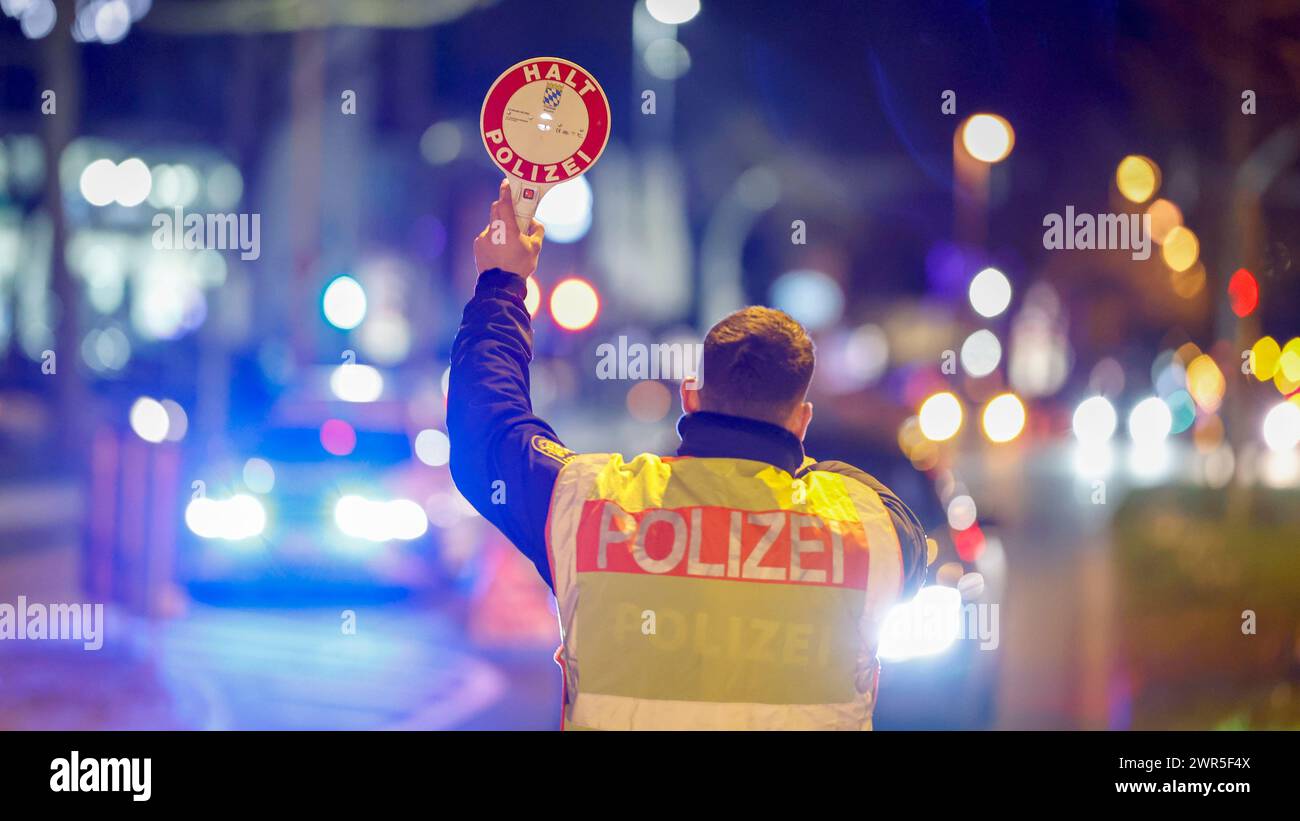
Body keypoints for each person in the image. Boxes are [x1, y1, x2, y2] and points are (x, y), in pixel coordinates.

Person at [449, 180, 928, 730]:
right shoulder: (870, 529)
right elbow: (890, 518)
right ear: (802, 419)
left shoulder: (592, 505)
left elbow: (485, 434)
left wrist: (502, 281)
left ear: (691, 395)